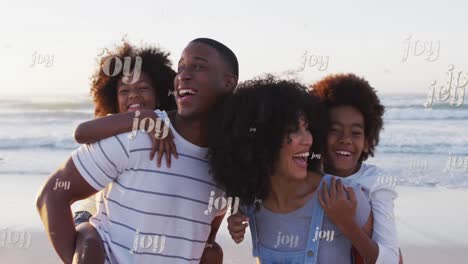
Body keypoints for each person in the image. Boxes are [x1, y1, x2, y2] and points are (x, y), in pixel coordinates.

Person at [36, 37, 238, 264]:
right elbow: (51, 194)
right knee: (89, 241)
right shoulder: (137, 135)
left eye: (198, 66)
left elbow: (202, 241)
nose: (183, 75)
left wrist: (242, 214)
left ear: (228, 83)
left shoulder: (229, 159)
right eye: (180, 68)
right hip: (92, 217)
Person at [209, 76, 373, 263]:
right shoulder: (250, 202)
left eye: (307, 128)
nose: (308, 140)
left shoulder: (342, 196)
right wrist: (234, 219)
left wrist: (348, 225)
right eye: (294, 130)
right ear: (260, 141)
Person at [311, 73, 401, 263]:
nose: (345, 139)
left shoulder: (376, 183)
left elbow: (391, 259)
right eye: (334, 130)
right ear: (318, 134)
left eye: (356, 132)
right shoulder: (305, 174)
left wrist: (347, 224)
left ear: (367, 142)